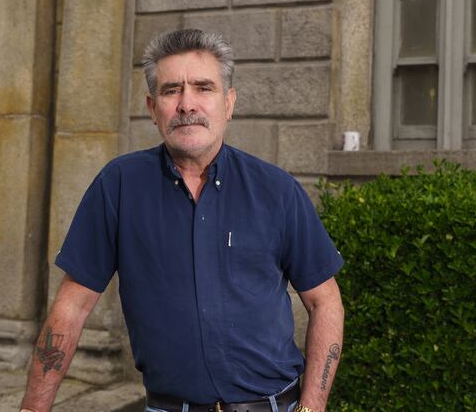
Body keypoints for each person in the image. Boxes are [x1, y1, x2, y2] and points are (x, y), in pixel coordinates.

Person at [21, 29, 345, 412]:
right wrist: (33, 408)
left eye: (204, 88)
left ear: (228, 103)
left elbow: (325, 302)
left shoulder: (277, 190)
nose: (186, 104)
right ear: (152, 107)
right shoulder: (120, 186)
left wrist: (312, 407)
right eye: (172, 90)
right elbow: (72, 307)